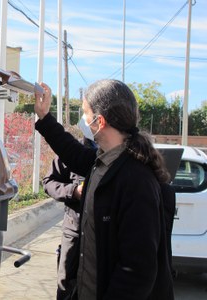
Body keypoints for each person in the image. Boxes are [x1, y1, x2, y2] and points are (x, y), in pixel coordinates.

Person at [34, 79, 174, 300]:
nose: (83, 120)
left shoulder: (136, 181)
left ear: (100, 121)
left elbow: (137, 272)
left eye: (85, 113)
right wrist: (44, 117)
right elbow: (72, 152)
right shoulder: (102, 161)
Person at [43, 139, 96, 300]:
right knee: (66, 285)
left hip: (102, 236)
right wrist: (73, 191)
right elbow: (48, 182)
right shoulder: (73, 151)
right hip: (74, 232)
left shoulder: (117, 153)